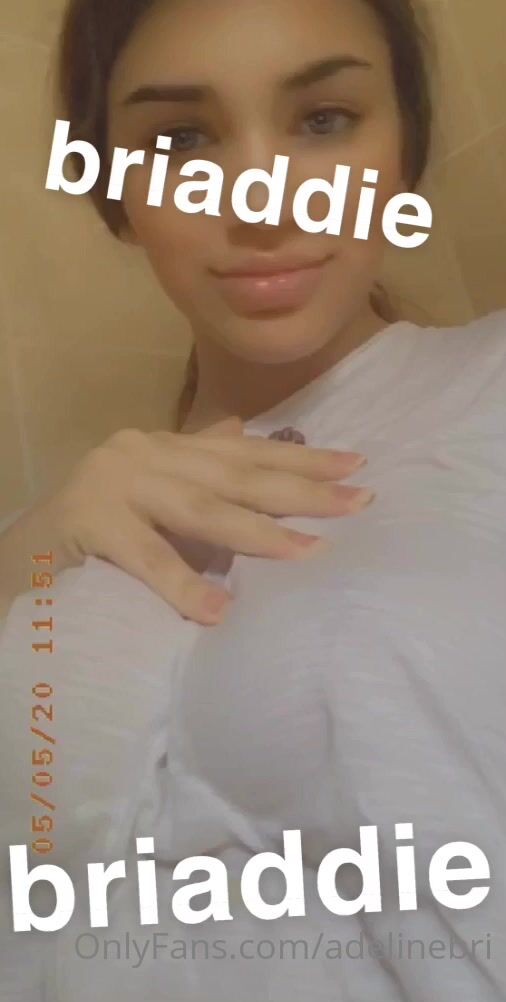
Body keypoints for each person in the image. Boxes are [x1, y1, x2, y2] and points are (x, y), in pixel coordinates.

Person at [1, 0, 505, 999]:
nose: (264, 204)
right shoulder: (49, 538)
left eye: (323, 120)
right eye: (180, 140)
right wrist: (28, 555)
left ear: (403, 148)